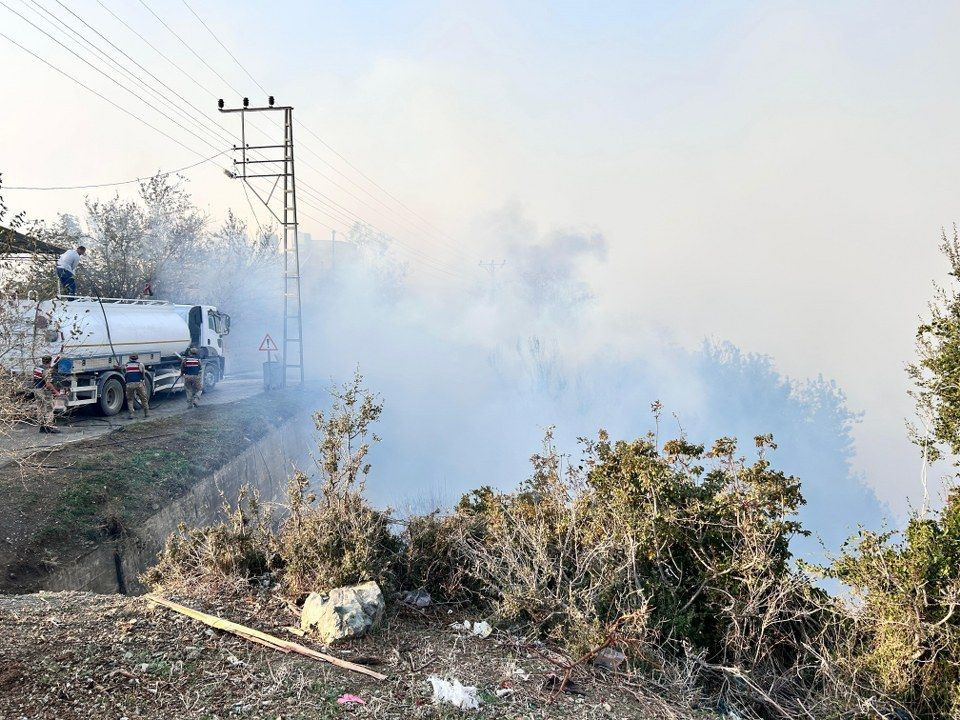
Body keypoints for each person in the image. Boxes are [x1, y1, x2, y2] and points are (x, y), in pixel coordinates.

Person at [33, 355, 61, 434]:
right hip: (44, 391)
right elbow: (48, 384)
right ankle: (49, 427)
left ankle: (42, 427)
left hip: (37, 390)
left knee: (40, 408)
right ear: (50, 361)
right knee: (49, 408)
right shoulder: (47, 370)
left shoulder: (37, 368)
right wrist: (56, 392)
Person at [123, 354, 149, 419]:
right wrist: (143, 381)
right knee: (143, 398)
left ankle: (132, 414)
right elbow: (143, 375)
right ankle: (146, 413)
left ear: (129, 358)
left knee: (130, 399)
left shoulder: (126, 365)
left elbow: (124, 372)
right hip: (139, 384)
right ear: (137, 358)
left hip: (129, 384)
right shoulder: (140, 364)